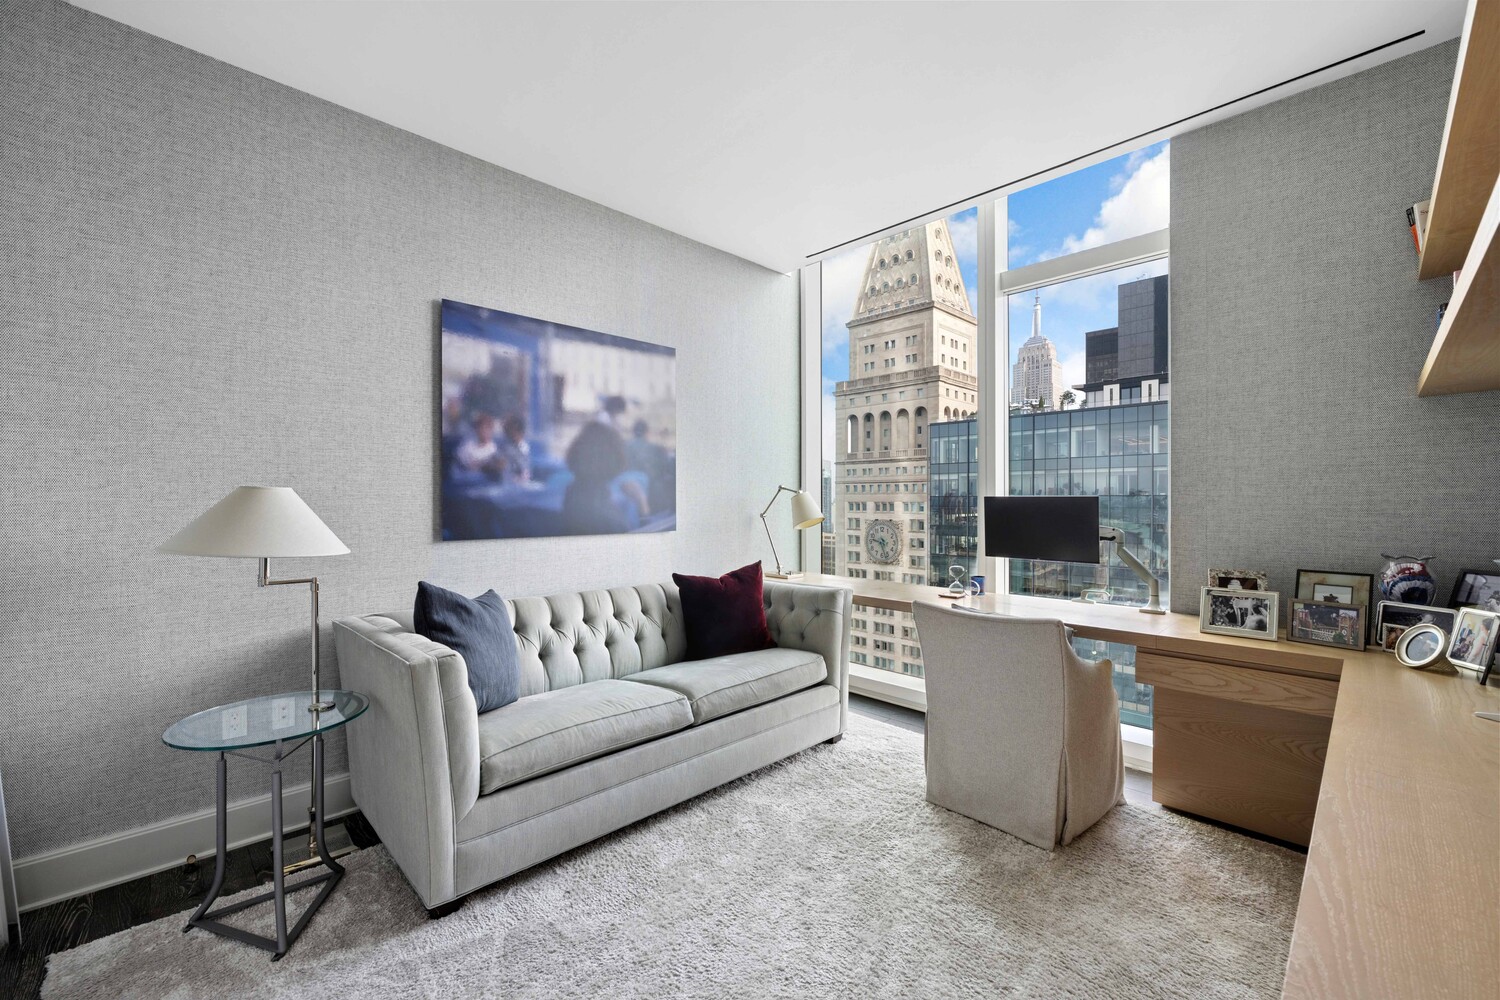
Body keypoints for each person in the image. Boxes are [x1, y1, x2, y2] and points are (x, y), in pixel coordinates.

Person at [456, 413, 503, 477]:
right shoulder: (467, 447)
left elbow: (500, 465)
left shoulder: (495, 448)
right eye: (482, 428)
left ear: (492, 430)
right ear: (476, 430)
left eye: (488, 428)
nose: (485, 432)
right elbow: (465, 467)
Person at [496, 414, 532, 484]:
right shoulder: (503, 447)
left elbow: (525, 470)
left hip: (523, 482)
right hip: (508, 482)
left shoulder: (525, 447)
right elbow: (501, 465)